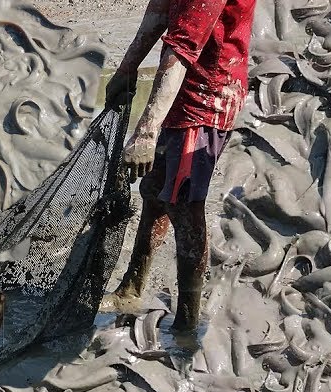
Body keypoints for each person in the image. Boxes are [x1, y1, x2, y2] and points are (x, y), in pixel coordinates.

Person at [100, 0, 256, 331]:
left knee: (183, 204)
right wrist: (127, 67)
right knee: (155, 190)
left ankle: (187, 318)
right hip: (179, 87)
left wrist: (145, 132)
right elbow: (160, 9)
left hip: (208, 94)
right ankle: (132, 287)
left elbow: (182, 49)